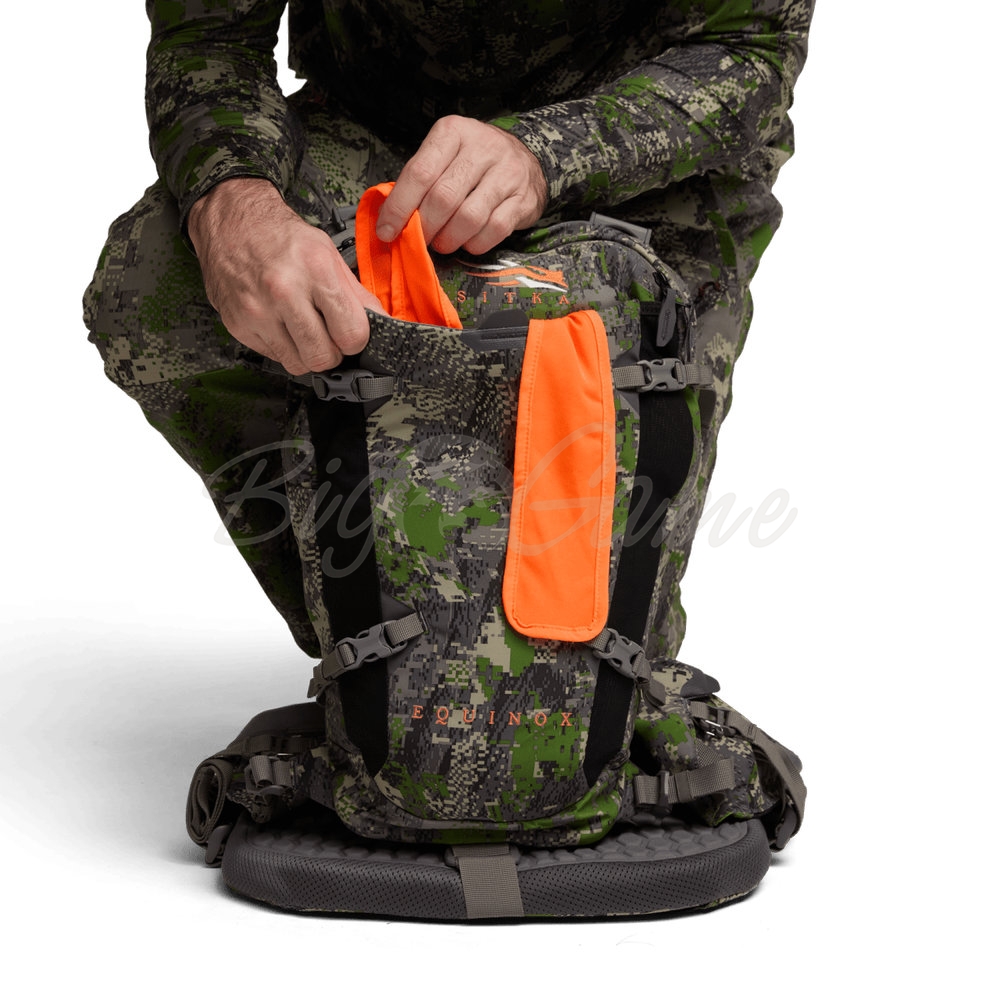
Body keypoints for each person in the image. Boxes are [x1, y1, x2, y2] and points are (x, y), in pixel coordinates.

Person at [83, 0, 814, 662]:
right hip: (382, 130)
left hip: (641, 155)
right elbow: (209, 37)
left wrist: (544, 152)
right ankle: (379, 639)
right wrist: (235, 205)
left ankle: (464, 659)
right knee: (154, 289)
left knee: (603, 668)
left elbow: (750, 50)